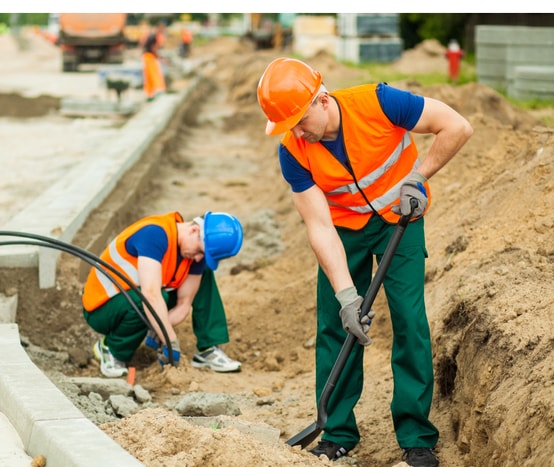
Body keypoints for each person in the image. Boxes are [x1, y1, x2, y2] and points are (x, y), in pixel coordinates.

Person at [256, 58, 473, 467]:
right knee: (336, 324)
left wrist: (419, 177)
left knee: (409, 320)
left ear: (322, 99)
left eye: (300, 121)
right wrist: (346, 297)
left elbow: (457, 126)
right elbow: (319, 226)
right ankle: (337, 432)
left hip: (401, 219)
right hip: (345, 231)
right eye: (289, 127)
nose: (298, 133)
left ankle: (416, 437)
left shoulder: (379, 102)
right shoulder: (293, 151)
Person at [82, 211, 244, 378]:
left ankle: (207, 349)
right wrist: (170, 340)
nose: (198, 258)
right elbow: (151, 295)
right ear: (194, 231)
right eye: (200, 252)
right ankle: (111, 350)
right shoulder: (155, 234)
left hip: (140, 299)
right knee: (147, 299)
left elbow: (184, 303)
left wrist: (161, 328)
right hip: (103, 307)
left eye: (203, 255)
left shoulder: (195, 253)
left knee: (205, 272)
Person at [142, 34, 166, 101]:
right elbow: (154, 75)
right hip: (149, 58)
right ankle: (157, 91)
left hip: (148, 57)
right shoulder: (149, 56)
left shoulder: (148, 53)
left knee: (149, 77)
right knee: (153, 75)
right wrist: (159, 88)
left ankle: (150, 94)